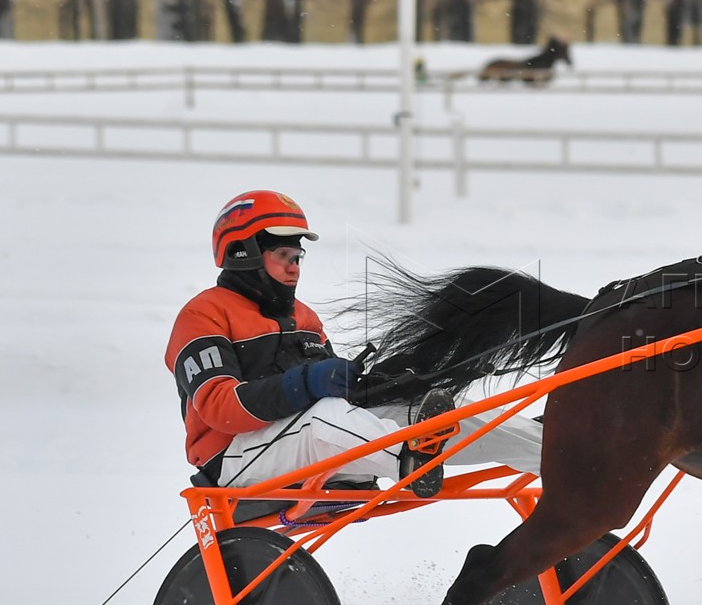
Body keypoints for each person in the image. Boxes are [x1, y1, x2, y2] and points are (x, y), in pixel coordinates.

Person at [165, 190, 542, 497]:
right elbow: (220, 409)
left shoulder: (304, 317)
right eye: (283, 255)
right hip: (234, 460)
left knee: (424, 411)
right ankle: (411, 460)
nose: (295, 266)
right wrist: (309, 383)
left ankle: (552, 450)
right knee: (323, 415)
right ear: (242, 252)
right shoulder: (203, 314)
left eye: (298, 256)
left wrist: (407, 375)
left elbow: (345, 400)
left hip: (304, 442)